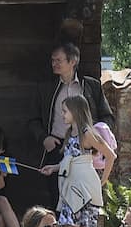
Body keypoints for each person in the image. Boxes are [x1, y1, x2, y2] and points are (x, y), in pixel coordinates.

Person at [43, 95, 115, 227]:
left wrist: (102, 181)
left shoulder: (87, 133)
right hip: (73, 186)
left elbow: (110, 155)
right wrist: (54, 168)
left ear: (75, 111)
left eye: (65, 111)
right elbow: (72, 160)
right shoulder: (71, 133)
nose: (62, 114)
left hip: (81, 188)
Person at [40, 42, 112, 174]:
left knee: (83, 185)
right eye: (53, 60)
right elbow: (34, 119)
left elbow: (107, 117)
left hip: (85, 150)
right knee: (58, 186)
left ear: (73, 61)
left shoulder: (91, 86)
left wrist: (95, 137)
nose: (54, 64)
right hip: (57, 147)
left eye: (58, 60)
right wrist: (44, 138)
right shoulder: (46, 89)